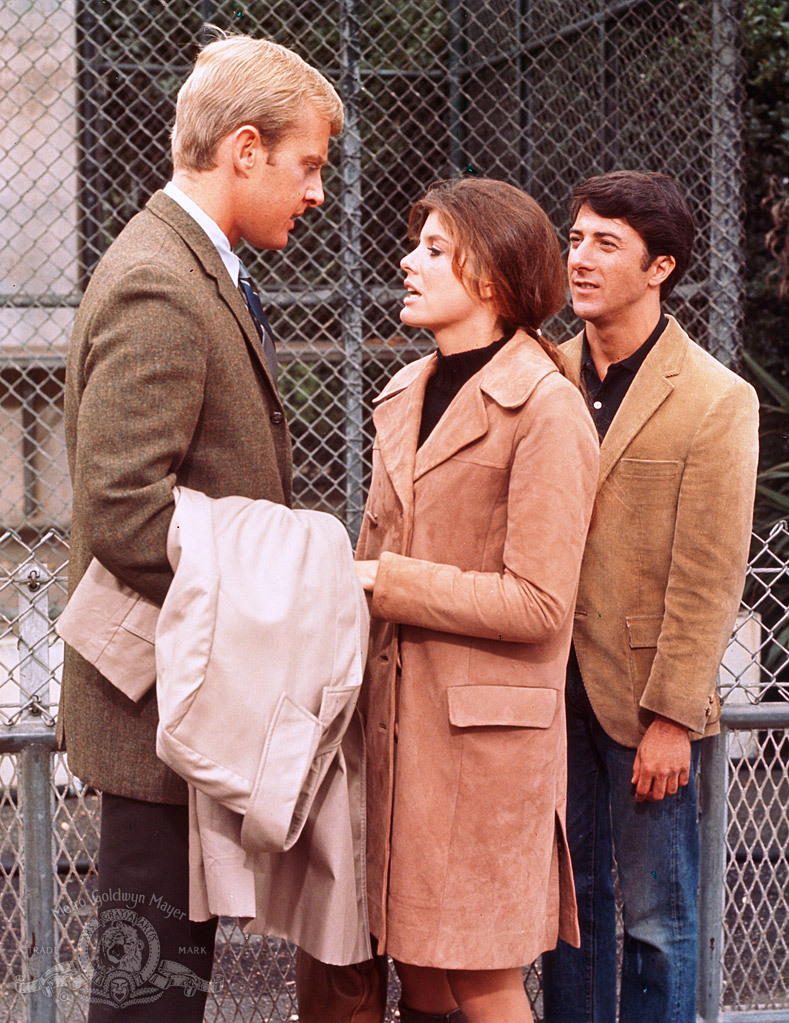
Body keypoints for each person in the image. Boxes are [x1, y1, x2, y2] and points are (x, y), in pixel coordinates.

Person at [58, 34, 342, 1022]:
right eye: (309, 166)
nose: (317, 193)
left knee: (165, 993)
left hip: (177, 703)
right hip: (154, 717)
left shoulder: (195, 267)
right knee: (149, 1002)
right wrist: (292, 591)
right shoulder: (160, 283)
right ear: (248, 150)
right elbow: (125, 513)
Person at [299, 177, 600, 1023]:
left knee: (478, 975)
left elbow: (540, 602)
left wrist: (383, 580)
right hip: (395, 733)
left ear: (495, 278)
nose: (407, 262)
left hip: (483, 751)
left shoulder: (545, 407)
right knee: (422, 973)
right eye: (417, 245)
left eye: (434, 250)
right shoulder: (401, 392)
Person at [540, 170, 760, 1023]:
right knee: (566, 913)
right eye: (575, 238)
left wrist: (672, 715)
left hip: (645, 702)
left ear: (659, 266)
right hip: (546, 688)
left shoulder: (713, 398)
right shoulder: (541, 374)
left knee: (660, 923)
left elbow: (708, 574)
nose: (579, 259)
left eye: (605, 244)